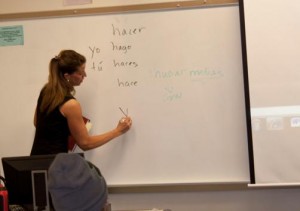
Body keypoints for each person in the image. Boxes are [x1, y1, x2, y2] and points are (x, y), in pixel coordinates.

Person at [30, 49, 132, 155]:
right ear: (67, 76)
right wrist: (118, 131)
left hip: (35, 161)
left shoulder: (46, 91)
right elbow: (85, 144)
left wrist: (64, 128)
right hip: (55, 165)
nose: (85, 75)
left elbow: (37, 122)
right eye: (80, 72)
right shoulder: (71, 105)